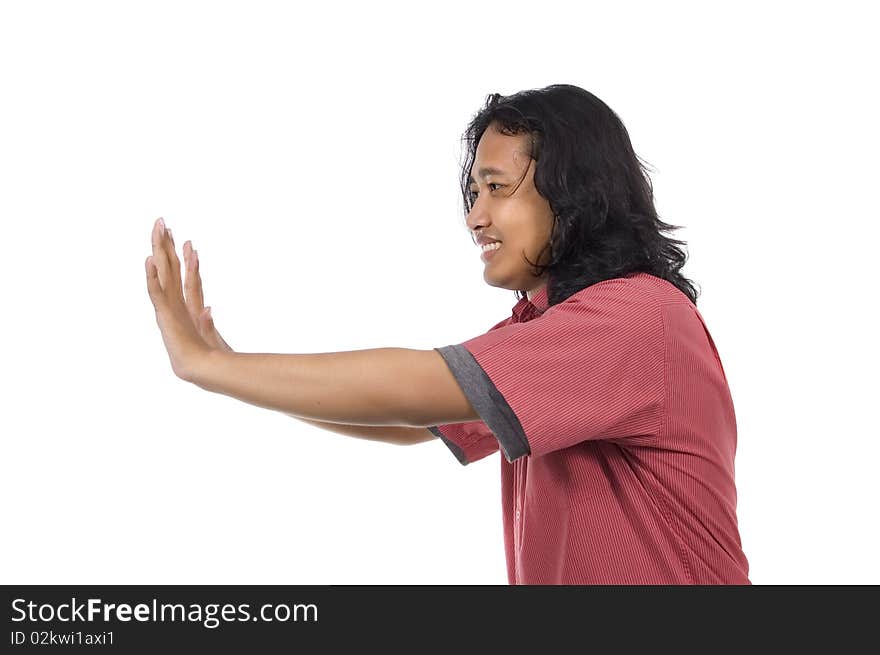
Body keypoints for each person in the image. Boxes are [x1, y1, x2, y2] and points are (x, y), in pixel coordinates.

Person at [145, 84, 750, 584]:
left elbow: (413, 386)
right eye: (473, 192)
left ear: (573, 192)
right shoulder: (552, 329)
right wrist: (228, 367)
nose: (474, 216)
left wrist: (210, 366)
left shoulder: (633, 318)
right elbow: (407, 420)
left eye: (496, 188)